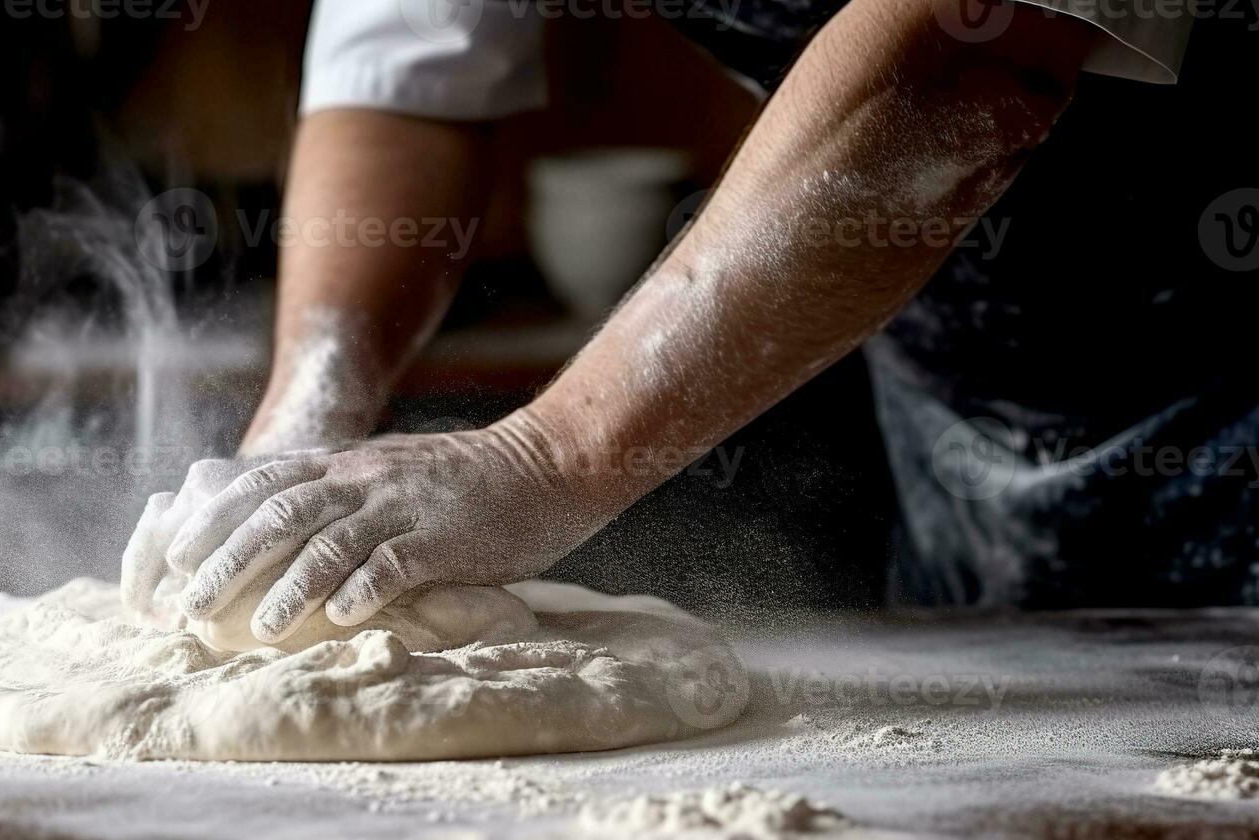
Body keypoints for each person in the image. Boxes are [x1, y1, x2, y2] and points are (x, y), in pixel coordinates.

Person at [123, 0, 1248, 646]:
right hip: (968, 422)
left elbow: (975, 51)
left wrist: (542, 454)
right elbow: (409, 76)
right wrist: (300, 427)